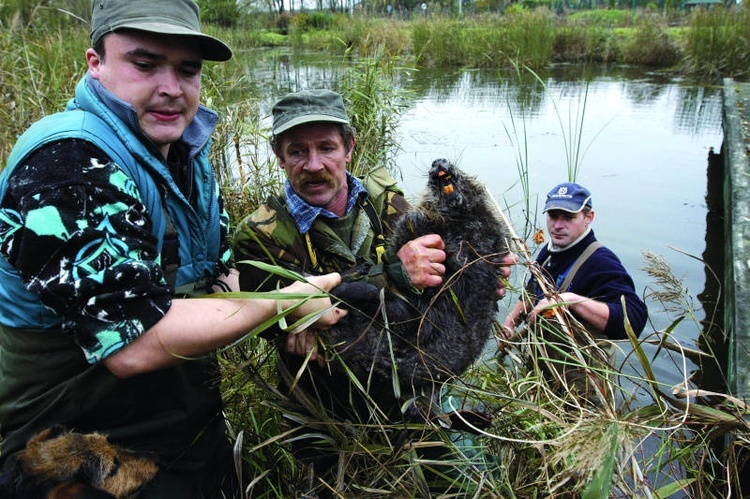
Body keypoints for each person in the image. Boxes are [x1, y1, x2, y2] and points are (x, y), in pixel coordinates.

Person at [0, 2, 344, 497]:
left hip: (185, 434)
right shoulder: (66, 163)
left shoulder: (186, 158)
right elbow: (133, 345)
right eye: (145, 64)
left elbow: (219, 283)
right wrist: (288, 301)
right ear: (95, 63)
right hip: (76, 455)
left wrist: (313, 300)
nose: (170, 87)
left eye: (187, 69)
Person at [232, 89, 513, 476]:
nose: (313, 165)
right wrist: (397, 273)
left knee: (452, 477)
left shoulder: (387, 201)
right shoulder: (259, 234)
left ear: (349, 148)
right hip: (324, 409)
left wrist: (476, 273)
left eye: (327, 148)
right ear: (280, 157)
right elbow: (296, 312)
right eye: (297, 151)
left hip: (411, 392)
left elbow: (437, 283)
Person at [503, 182, 647, 341]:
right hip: (542, 358)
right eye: (553, 216)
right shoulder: (548, 252)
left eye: (569, 217)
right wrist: (510, 323)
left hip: (582, 363)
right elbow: (533, 288)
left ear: (588, 217)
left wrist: (571, 301)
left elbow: (634, 322)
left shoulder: (601, 262)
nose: (557, 226)